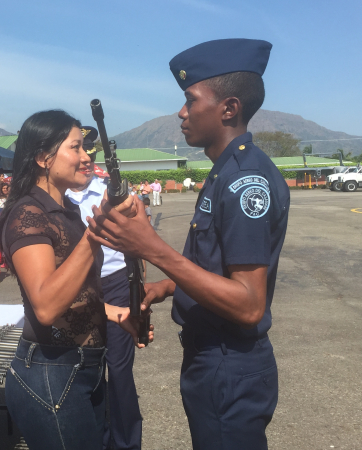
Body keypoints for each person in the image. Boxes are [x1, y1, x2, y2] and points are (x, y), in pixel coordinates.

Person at [87, 38, 287, 449]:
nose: (181, 112)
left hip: (228, 363)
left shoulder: (244, 182)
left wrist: (151, 247)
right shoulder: (223, 172)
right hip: (211, 358)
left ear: (228, 108)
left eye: (190, 100)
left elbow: (249, 304)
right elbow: (218, 269)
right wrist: (164, 287)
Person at [0, 110, 152, 450]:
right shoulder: (27, 215)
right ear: (42, 158)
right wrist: (94, 234)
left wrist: (114, 313)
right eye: (76, 148)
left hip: (83, 370)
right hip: (52, 373)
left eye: (86, 149)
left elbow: (77, 290)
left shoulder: (65, 211)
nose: (87, 158)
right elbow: (46, 305)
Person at [65, 126, 144, 450]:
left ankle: (126, 443)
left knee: (120, 370)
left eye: (88, 154)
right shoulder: (60, 197)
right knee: (86, 365)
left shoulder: (110, 192)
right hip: (79, 287)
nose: (85, 160)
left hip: (115, 283)